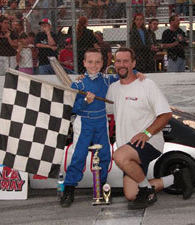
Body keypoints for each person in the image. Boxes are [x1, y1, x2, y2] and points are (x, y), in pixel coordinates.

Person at [106, 47, 194, 210]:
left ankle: (146, 190)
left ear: (133, 63)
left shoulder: (146, 85)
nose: (121, 64)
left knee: (119, 155)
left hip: (149, 142)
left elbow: (165, 114)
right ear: (114, 64)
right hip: (129, 148)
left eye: (126, 61)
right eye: (118, 61)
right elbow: (103, 111)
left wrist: (147, 133)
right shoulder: (113, 89)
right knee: (131, 195)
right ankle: (176, 178)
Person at [60, 48, 145, 208]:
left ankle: (101, 188)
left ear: (103, 63)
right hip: (83, 123)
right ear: (84, 63)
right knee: (78, 156)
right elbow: (71, 108)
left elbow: (123, 74)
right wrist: (85, 101)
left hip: (101, 122)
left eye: (97, 62)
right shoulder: (77, 83)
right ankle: (68, 189)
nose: (94, 65)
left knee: (104, 156)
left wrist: (138, 73)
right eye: (90, 62)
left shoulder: (107, 80)